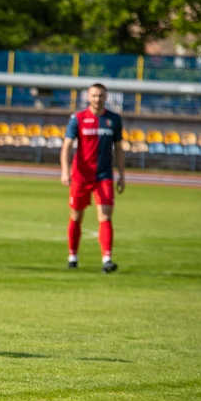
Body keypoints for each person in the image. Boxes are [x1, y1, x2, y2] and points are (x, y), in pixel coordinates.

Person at [61, 83, 125, 273]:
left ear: (106, 97)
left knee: (105, 214)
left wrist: (122, 174)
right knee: (77, 215)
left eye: (101, 96)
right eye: (94, 96)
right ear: (88, 97)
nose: (98, 99)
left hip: (104, 175)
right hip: (81, 176)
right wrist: (65, 171)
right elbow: (66, 146)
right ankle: (72, 255)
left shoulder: (113, 120)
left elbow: (119, 149)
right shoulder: (78, 119)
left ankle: (107, 259)